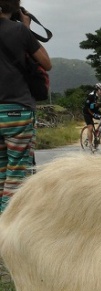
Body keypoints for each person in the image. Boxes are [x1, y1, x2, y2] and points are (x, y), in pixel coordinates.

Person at [0, 0, 51, 212]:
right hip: (17, 110)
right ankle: (6, 223)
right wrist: (27, 28)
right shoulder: (19, 30)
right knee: (18, 173)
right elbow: (46, 63)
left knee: (2, 172)